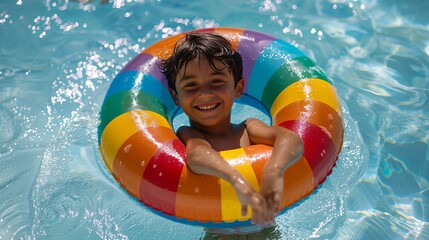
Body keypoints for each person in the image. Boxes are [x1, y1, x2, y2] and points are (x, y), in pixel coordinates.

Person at [160, 32, 303, 232]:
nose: (205, 93)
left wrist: (274, 170)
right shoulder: (189, 134)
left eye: (217, 81)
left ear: (238, 88)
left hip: (266, 233)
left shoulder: (249, 128)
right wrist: (235, 179)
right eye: (191, 85)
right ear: (176, 97)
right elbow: (196, 156)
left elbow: (290, 139)